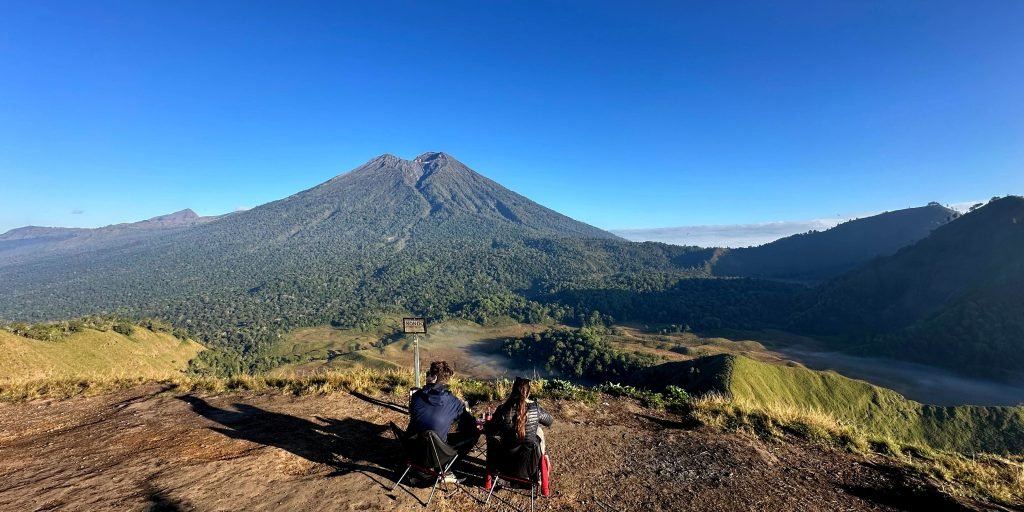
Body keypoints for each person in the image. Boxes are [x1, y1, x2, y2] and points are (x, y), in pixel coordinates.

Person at [487, 376, 553, 495]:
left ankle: (492, 477)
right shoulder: (535, 408)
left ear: (513, 391)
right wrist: (533, 406)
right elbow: (549, 421)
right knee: (538, 432)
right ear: (528, 393)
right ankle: (539, 474)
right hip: (529, 469)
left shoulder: (503, 409)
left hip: (505, 467)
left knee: (494, 440)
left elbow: (490, 429)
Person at [406, 360, 479, 456]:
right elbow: (469, 423)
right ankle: (447, 466)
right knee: (473, 435)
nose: (426, 377)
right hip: (437, 456)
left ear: (434, 377)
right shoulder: (454, 403)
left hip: (412, 450)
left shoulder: (416, 396)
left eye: (428, 374)